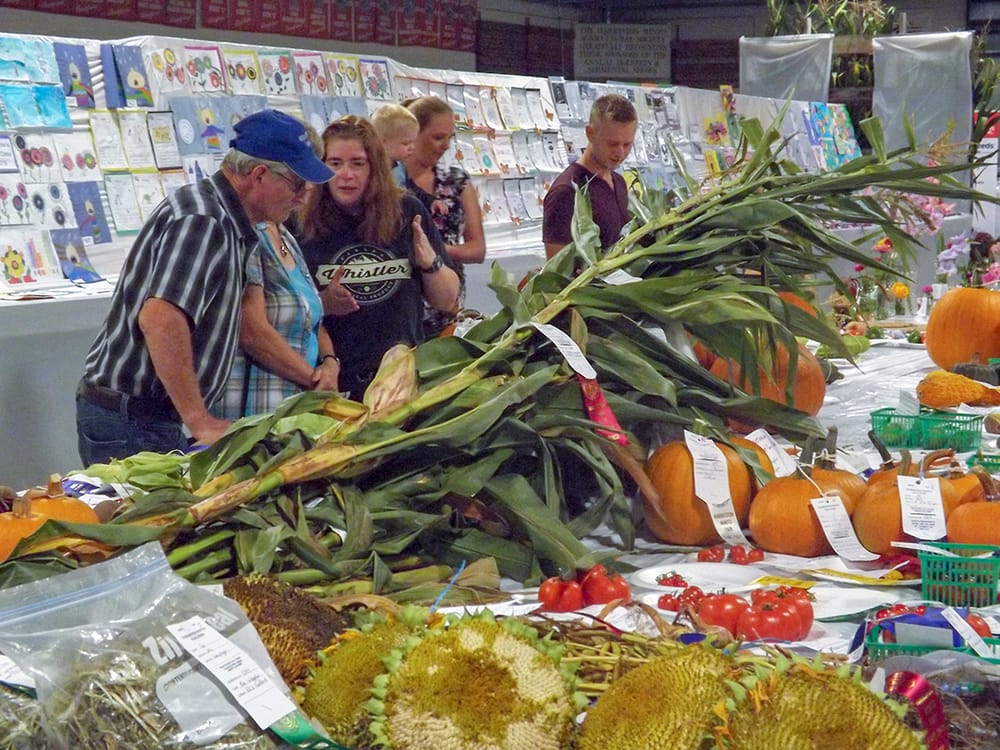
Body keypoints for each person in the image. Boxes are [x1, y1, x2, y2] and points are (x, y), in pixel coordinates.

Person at [76, 109, 334, 465]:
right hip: (134, 419)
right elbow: (161, 318)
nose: (304, 196)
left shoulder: (232, 222)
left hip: (147, 417)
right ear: (259, 175)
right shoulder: (204, 221)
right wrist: (199, 419)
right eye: (297, 184)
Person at [297, 115, 461, 400]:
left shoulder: (405, 210)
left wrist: (430, 263)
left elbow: (447, 300)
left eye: (357, 163)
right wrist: (324, 304)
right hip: (333, 380)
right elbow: (283, 312)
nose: (346, 174)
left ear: (374, 167)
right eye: (335, 163)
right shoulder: (299, 221)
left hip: (399, 378)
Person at [213, 220, 340, 419]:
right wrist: (316, 381)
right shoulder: (247, 237)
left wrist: (330, 364)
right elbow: (251, 333)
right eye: (294, 186)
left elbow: (312, 320)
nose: (301, 195)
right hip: (257, 412)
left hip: (298, 405)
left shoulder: (286, 236)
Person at [402, 96, 485, 336]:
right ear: (413, 134)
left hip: (447, 305)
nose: (446, 145)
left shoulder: (457, 181)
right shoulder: (388, 184)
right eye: (438, 137)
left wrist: (431, 250)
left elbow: (477, 250)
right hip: (402, 304)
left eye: (450, 137)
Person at [542, 93, 638, 259]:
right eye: (612, 143)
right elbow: (557, 273)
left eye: (627, 144)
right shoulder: (566, 192)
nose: (620, 152)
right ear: (590, 133)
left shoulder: (619, 182)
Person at [370, 103, 419, 186]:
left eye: (413, 142)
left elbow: (411, 189)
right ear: (381, 142)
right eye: (405, 143)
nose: (412, 147)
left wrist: (429, 199)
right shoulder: (372, 169)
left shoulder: (401, 166)